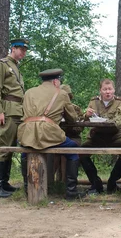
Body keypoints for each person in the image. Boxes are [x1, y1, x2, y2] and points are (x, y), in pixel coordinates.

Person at [17, 69, 84, 200]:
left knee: (26, 152)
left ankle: (27, 188)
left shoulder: (29, 92)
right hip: (48, 133)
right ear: (55, 81)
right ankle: (71, 192)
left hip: (27, 132)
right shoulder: (61, 93)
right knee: (73, 151)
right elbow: (72, 119)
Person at [0, 38, 29, 198]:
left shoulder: (15, 67)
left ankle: (4, 183)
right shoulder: (2, 65)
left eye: (25, 50)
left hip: (17, 110)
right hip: (7, 110)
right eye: (21, 49)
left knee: (10, 148)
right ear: (13, 48)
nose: (23, 53)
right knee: (2, 146)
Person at [81, 78, 121, 194]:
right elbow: (86, 119)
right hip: (97, 137)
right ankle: (96, 183)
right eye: (105, 89)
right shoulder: (93, 102)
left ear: (114, 90)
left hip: (115, 137)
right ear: (100, 90)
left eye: (110, 89)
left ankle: (112, 182)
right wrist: (87, 114)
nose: (108, 92)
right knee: (81, 153)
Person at [53, 84, 84, 182]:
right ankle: (49, 182)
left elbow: (80, 127)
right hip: (56, 137)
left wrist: (70, 127)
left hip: (73, 137)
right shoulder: (53, 109)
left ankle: (68, 182)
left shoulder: (76, 109)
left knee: (70, 148)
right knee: (52, 153)